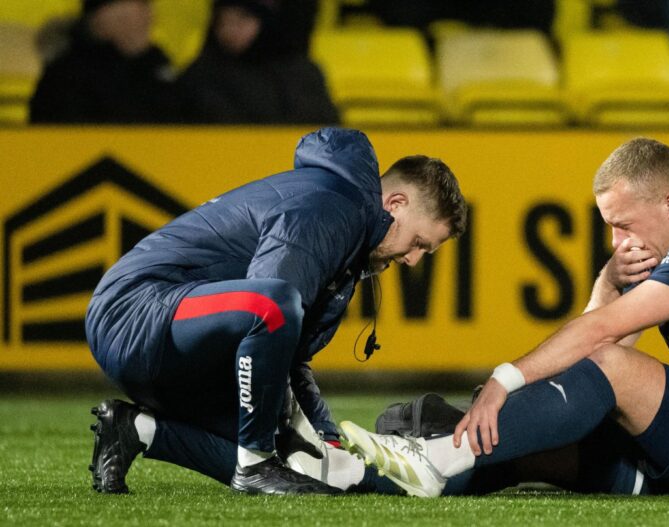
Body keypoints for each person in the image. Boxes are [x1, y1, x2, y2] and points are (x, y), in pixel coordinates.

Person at [340, 137, 669, 497]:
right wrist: (610, 282)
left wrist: (503, 381)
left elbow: (603, 338)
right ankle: (360, 476)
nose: (618, 242)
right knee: (531, 445)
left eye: (623, 225)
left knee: (607, 370)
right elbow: (584, 373)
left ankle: (435, 454)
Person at [85, 127, 467, 495]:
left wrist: (326, 438)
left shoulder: (349, 236)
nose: (414, 261)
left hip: (177, 342)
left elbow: (290, 357)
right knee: (274, 308)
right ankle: (254, 465)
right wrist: (293, 433)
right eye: (418, 243)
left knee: (322, 472)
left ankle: (136, 429)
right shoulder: (332, 205)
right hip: (132, 311)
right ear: (395, 204)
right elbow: (269, 306)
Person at [177, 0, 338, 124]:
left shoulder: (299, 72)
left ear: (263, 21)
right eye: (223, 21)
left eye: (242, 19)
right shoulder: (201, 74)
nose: (231, 29)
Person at [29, 0, 180, 123]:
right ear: (104, 14)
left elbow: (183, 116)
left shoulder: (155, 63)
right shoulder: (68, 73)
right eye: (140, 6)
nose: (149, 16)